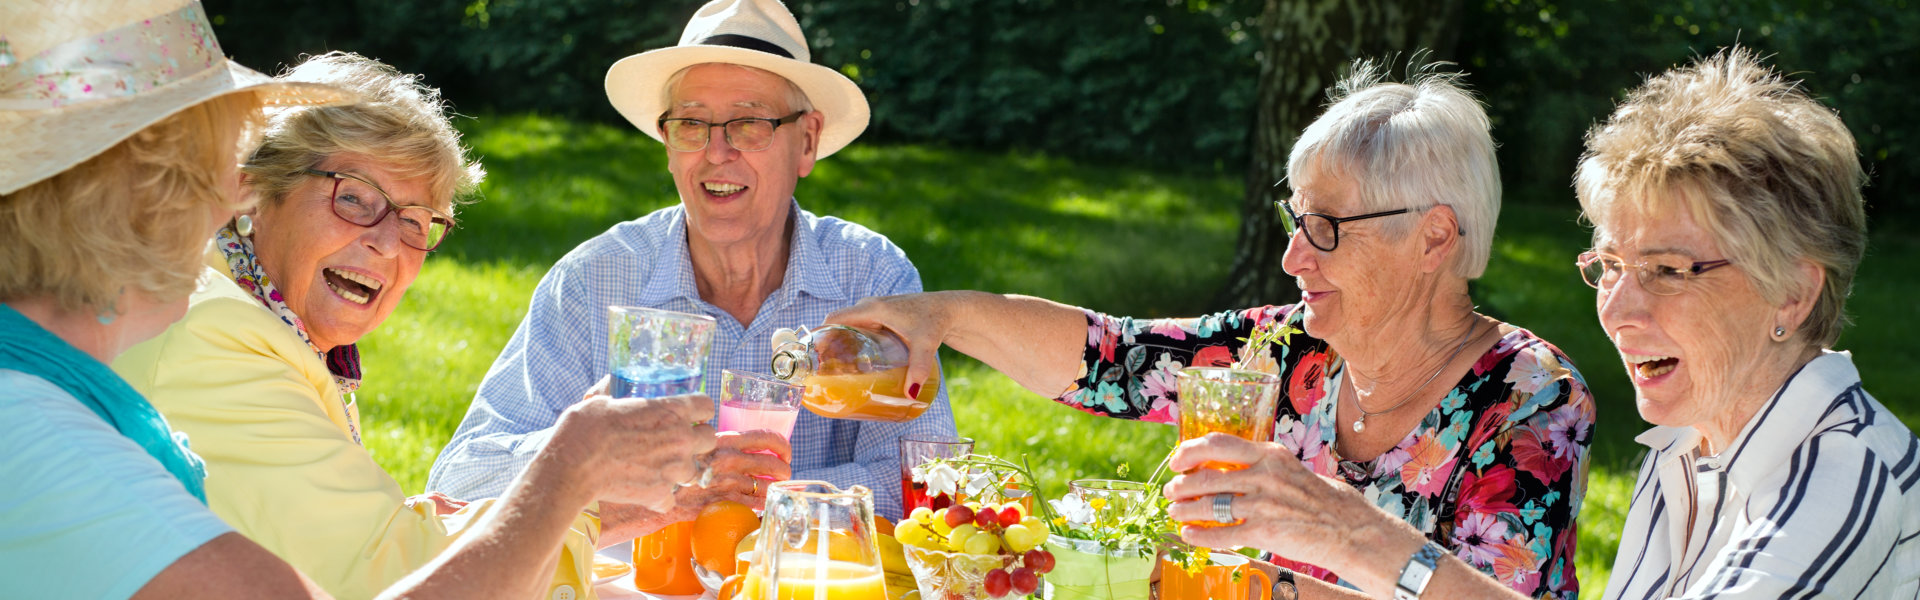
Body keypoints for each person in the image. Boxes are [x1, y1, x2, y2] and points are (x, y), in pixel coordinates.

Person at [1, 2, 715, 599]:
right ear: (128, 202)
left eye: (414, 222)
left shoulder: (51, 394)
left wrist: (575, 503)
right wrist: (569, 475)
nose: (232, 191)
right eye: (207, 170)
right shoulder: (127, 382)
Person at [1158, 49, 1918, 600]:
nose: (1617, 310)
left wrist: (1357, 539)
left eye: (1667, 270)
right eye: (1610, 266)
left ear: (1791, 293)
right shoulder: (1689, 448)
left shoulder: (1840, 472)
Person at [828, 61, 1594, 599]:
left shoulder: (1526, 397)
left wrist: (1254, 590)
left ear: (1434, 238)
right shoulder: (1286, 351)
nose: (1293, 255)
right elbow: (1115, 358)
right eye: (1296, 220)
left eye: (1326, 227)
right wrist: (945, 316)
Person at [428, 0, 957, 527]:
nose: (716, 151)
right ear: (666, 142)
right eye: (691, 123)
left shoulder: (871, 277)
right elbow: (457, 482)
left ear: (808, 142)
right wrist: (585, 453)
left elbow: (928, 480)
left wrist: (773, 494)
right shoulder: (594, 280)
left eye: (749, 124)